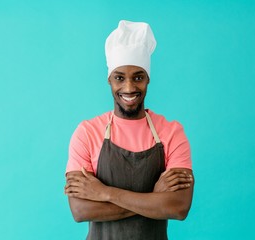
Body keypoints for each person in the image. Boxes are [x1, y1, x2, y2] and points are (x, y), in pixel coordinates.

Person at [64, 20, 194, 240]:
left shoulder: (172, 132)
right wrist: (154, 199)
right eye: (119, 78)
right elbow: (81, 210)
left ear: (148, 80)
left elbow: (178, 207)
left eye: (138, 77)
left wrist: (104, 193)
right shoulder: (87, 132)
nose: (129, 87)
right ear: (109, 81)